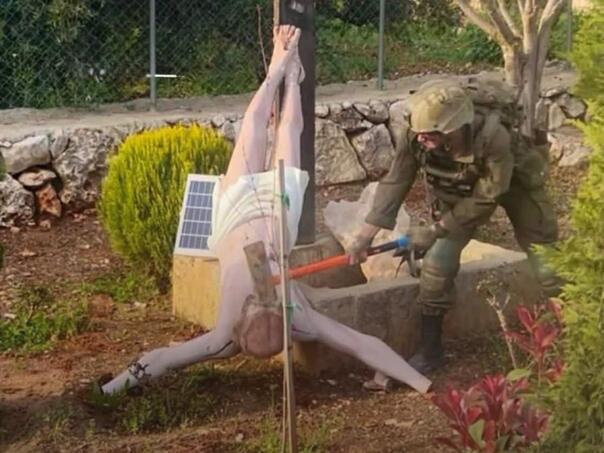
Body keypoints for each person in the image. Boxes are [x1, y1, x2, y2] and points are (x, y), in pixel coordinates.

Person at [100, 25, 431, 396]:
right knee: (287, 132)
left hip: (234, 214)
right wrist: (422, 384)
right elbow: (361, 344)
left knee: (256, 129)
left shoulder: (228, 337)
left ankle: (279, 72)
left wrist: (110, 390)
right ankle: (288, 77)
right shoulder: (298, 320)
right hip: (275, 214)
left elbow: (161, 358)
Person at [349, 79, 560, 382]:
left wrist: (435, 229)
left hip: (513, 184)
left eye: (430, 134)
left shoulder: (493, 137)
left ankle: (572, 330)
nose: (421, 138)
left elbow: (488, 196)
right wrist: (364, 237)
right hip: (459, 193)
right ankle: (430, 351)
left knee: (545, 258)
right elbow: (396, 181)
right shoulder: (416, 134)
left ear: (454, 129)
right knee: (437, 264)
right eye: (419, 132)